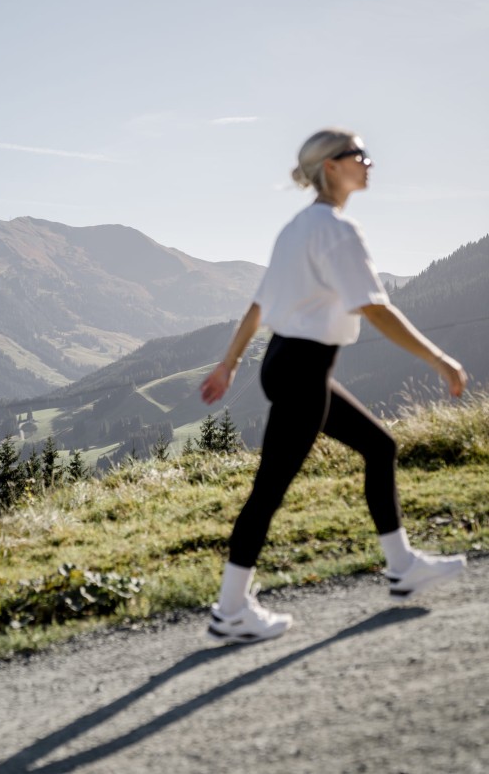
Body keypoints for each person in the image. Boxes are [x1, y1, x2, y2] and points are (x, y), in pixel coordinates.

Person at [200, 128, 467, 645]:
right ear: (331, 166)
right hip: (303, 368)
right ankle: (230, 610)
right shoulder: (337, 230)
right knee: (269, 489)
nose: (369, 162)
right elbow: (374, 308)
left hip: (288, 362)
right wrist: (439, 359)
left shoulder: (296, 228)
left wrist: (228, 364)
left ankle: (401, 566)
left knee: (379, 446)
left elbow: (259, 305)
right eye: (359, 154)